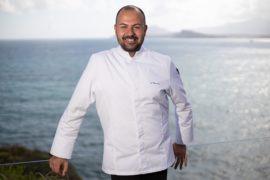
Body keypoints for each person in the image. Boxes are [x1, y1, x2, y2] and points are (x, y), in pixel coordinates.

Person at [49, 5, 193, 180]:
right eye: (124, 26)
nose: (130, 33)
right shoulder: (99, 63)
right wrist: (61, 152)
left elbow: (183, 105)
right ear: (115, 29)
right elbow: (75, 110)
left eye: (136, 27)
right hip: (120, 164)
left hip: (159, 161)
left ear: (145, 29)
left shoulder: (164, 63)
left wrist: (181, 141)